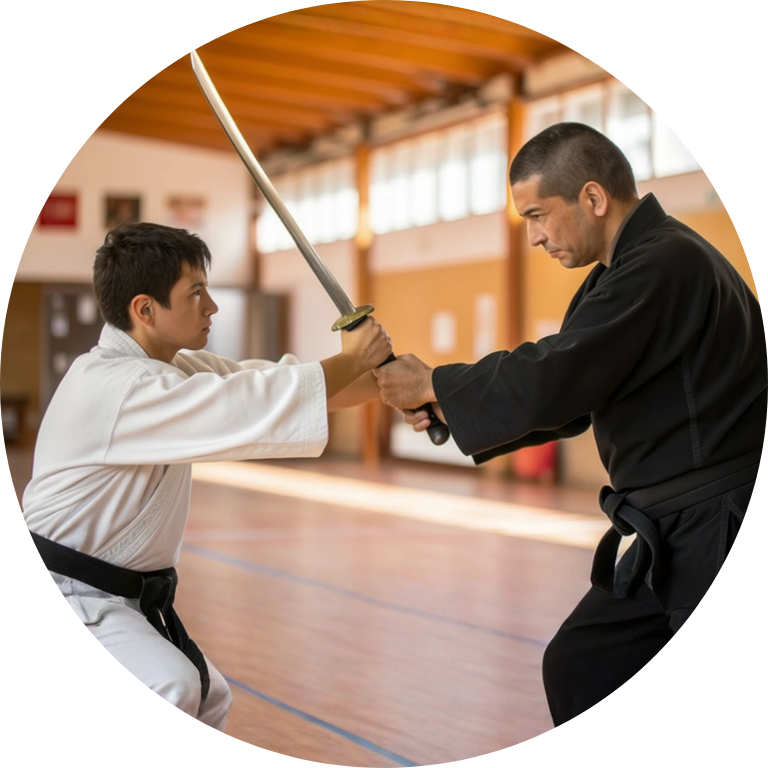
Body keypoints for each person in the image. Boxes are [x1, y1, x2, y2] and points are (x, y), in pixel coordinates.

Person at [373, 122, 766, 726]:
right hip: (676, 524)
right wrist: (447, 405)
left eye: (538, 215)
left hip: (716, 521)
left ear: (592, 198)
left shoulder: (666, 261)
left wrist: (435, 383)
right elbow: (575, 397)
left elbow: (557, 372)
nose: (533, 237)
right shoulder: (619, 273)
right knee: (584, 663)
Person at [22, 221, 392, 731]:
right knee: (171, 686)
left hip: (121, 601)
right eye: (196, 293)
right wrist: (352, 359)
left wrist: (400, 382)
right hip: (73, 593)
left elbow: (273, 383)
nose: (211, 306)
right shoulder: (118, 386)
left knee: (208, 696)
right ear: (145, 310)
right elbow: (253, 404)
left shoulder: (175, 367)